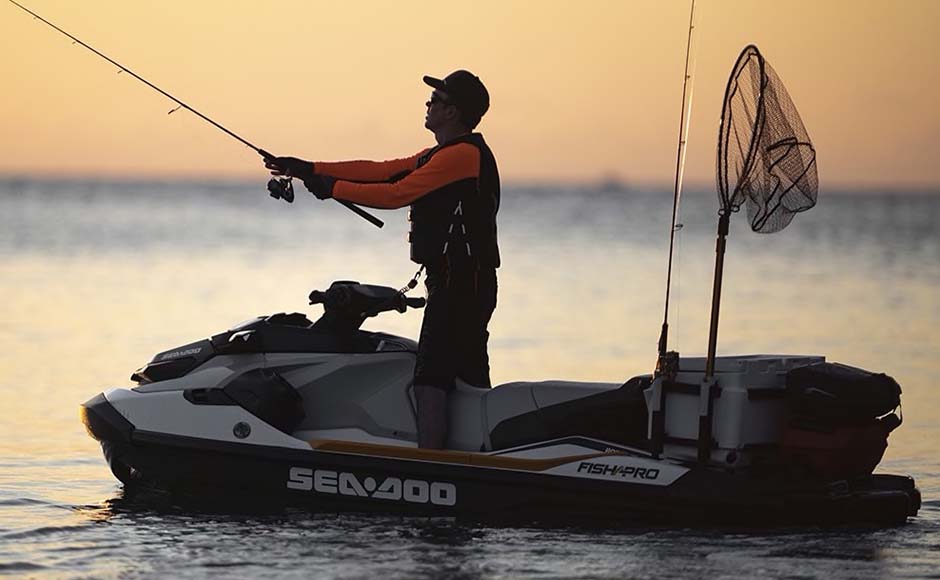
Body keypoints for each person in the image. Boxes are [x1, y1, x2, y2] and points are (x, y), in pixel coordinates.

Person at [264, 70, 500, 449]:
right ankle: (485, 454)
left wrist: (333, 188)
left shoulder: (463, 156)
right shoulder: (441, 154)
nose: (428, 104)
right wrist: (310, 168)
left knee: (431, 378)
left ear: (453, 112)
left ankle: (432, 466)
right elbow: (380, 170)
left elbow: (395, 194)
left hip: (463, 282)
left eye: (435, 100)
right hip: (457, 279)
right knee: (468, 375)